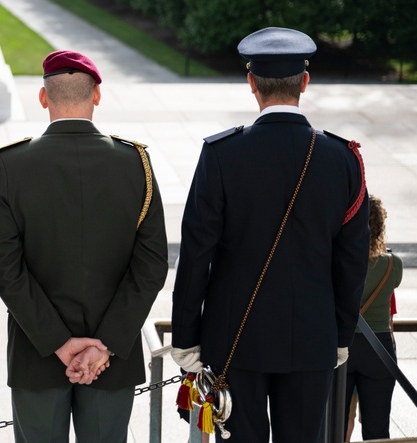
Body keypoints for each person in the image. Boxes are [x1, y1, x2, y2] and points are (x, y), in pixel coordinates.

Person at [171, 27, 370, 443]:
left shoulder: (221, 154)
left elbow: (195, 255)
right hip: (313, 336)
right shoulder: (342, 159)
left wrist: (186, 338)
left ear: (251, 84)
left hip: (234, 338)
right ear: (305, 82)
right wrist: (340, 334)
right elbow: (352, 259)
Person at [0, 50, 169, 443]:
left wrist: (58, 343)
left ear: (42, 97)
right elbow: (152, 265)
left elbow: (6, 269)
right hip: (111, 359)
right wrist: (105, 344)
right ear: (97, 95)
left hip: (36, 354)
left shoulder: (11, 165)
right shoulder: (135, 163)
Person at [343, 195, 402, 440]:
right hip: (380, 350)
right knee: (377, 429)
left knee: (334, 424)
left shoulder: (341, 262)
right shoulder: (393, 265)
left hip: (344, 345)